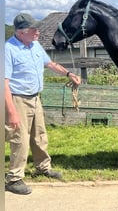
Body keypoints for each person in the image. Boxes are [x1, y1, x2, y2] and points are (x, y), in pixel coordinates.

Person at [5, 13, 81, 195]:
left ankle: (42, 167)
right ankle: (14, 178)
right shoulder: (8, 49)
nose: (38, 32)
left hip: (35, 98)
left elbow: (51, 64)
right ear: (21, 32)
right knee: (20, 139)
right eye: (34, 29)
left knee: (39, 135)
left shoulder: (35, 45)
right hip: (17, 99)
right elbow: (4, 83)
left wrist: (69, 74)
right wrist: (12, 112)